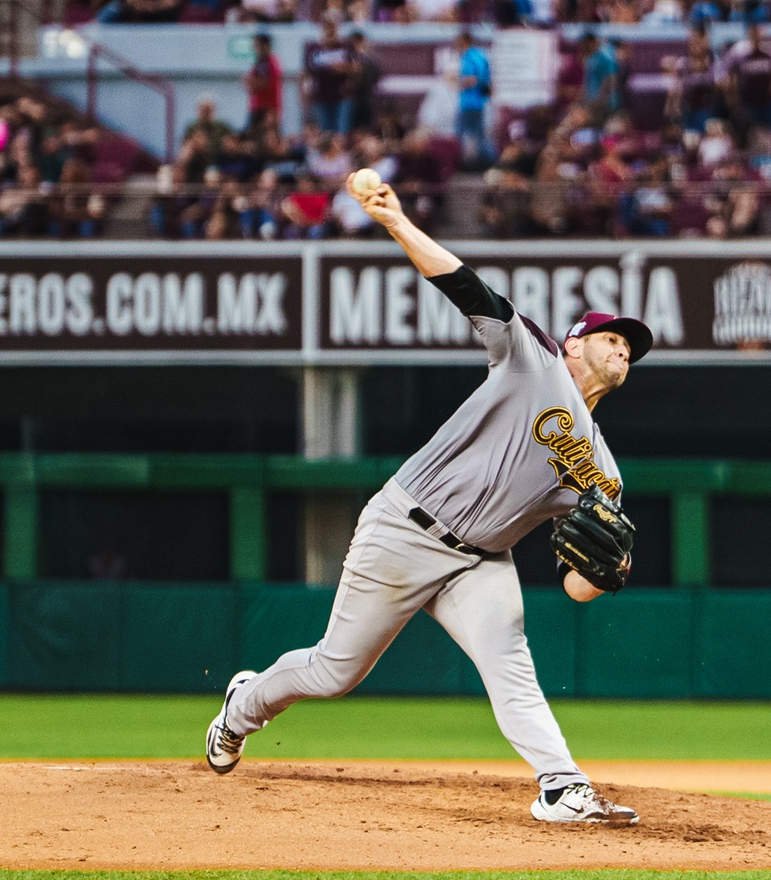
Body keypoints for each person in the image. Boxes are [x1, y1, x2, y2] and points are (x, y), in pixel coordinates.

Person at [205, 171, 654, 825]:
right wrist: (395, 220)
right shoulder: (533, 358)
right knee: (335, 672)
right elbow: (464, 284)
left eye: (631, 348)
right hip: (405, 527)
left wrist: (611, 570)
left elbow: (576, 587)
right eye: (613, 337)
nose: (624, 350)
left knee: (510, 660)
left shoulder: (605, 476)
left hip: (481, 561)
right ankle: (241, 707)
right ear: (576, 343)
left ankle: (562, 786)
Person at [454, 31, 494, 171]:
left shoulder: (469, 57)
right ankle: (488, 161)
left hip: (470, 103)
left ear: (464, 42)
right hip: (479, 102)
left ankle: (460, 163)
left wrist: (458, 83)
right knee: (480, 134)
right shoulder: (481, 56)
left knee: (460, 134)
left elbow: (473, 79)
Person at [244, 33, 283, 134]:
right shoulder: (260, 62)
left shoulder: (269, 63)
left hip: (267, 108)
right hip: (258, 106)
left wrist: (251, 82)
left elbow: (267, 83)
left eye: (257, 45)